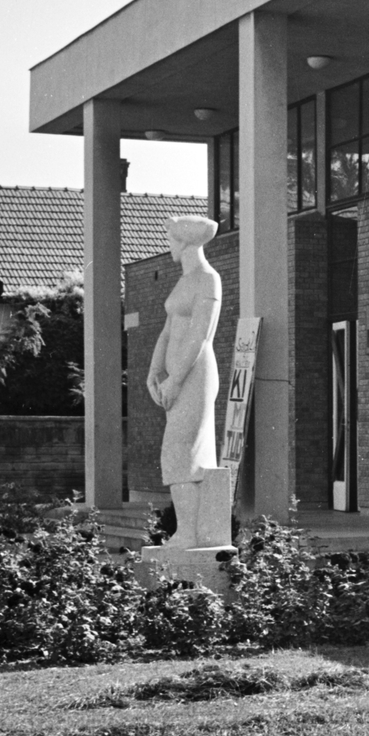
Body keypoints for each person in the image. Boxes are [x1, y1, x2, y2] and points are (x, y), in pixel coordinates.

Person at [146, 214, 222, 548]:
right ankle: (190, 531)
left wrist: (176, 379)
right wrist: (153, 370)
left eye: (171, 241)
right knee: (181, 452)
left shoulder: (208, 279)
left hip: (195, 374)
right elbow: (168, 330)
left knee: (180, 451)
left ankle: (189, 533)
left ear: (185, 242)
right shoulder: (184, 280)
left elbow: (201, 336)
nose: (169, 247)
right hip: (177, 375)